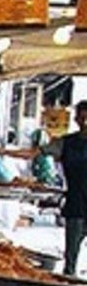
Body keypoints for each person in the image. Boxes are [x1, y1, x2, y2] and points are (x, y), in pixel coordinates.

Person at [60, 101, 87, 275]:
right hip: (76, 204)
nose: (85, 122)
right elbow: (38, 152)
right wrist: (3, 152)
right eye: (82, 118)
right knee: (71, 255)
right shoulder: (67, 143)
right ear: (76, 119)